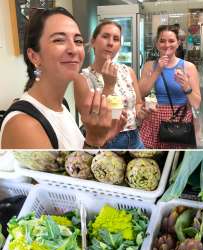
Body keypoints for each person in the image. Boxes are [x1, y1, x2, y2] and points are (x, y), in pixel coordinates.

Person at [0, 7, 125, 149]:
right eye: (59, 40)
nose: (73, 50)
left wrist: (102, 137)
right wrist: (94, 141)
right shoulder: (23, 125)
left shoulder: (61, 105)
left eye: (78, 41)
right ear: (34, 56)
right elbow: (72, 170)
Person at [75, 20, 145, 149]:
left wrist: (142, 112)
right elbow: (90, 120)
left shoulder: (128, 71)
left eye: (116, 39)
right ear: (93, 41)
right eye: (105, 36)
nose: (110, 43)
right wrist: (108, 86)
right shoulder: (82, 79)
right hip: (107, 141)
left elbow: (138, 104)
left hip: (135, 137)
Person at [139, 25, 201, 148]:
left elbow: (197, 104)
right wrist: (158, 70)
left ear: (178, 43)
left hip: (180, 122)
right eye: (162, 41)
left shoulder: (188, 67)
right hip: (154, 119)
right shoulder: (149, 66)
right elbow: (140, 94)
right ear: (157, 44)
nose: (167, 45)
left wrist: (186, 86)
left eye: (171, 41)